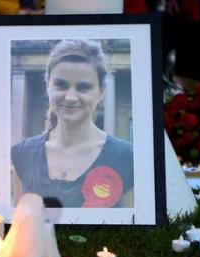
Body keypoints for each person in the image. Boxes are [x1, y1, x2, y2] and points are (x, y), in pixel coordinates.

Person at [11, 40, 134, 208]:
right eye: (60, 85)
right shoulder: (22, 153)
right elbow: (19, 227)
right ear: (48, 86)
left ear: (101, 92)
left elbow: (135, 231)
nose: (70, 97)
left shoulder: (127, 158)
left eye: (83, 87)